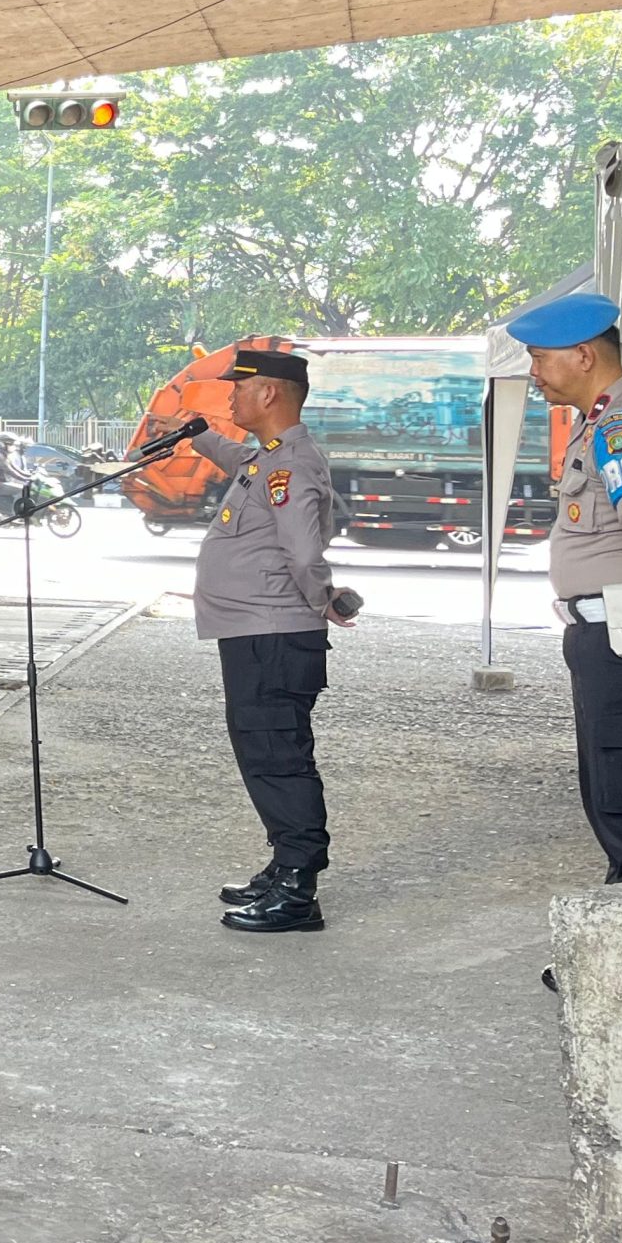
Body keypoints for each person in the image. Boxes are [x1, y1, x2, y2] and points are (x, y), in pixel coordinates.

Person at [185, 348, 350, 934]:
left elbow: (305, 553)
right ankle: (285, 864)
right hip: (256, 633)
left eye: (238, 389)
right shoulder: (272, 458)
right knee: (264, 754)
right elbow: (244, 464)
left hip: (274, 634)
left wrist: (322, 601)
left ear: (270, 395)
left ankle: (298, 890)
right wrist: (202, 437)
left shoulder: (293, 466)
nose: (230, 398)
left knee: (278, 758)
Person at [513, 293, 622, 985]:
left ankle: (616, 963)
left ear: (584, 355)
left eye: (539, 357)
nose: (533, 371)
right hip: (605, 636)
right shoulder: (600, 425)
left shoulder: (620, 427)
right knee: (610, 791)